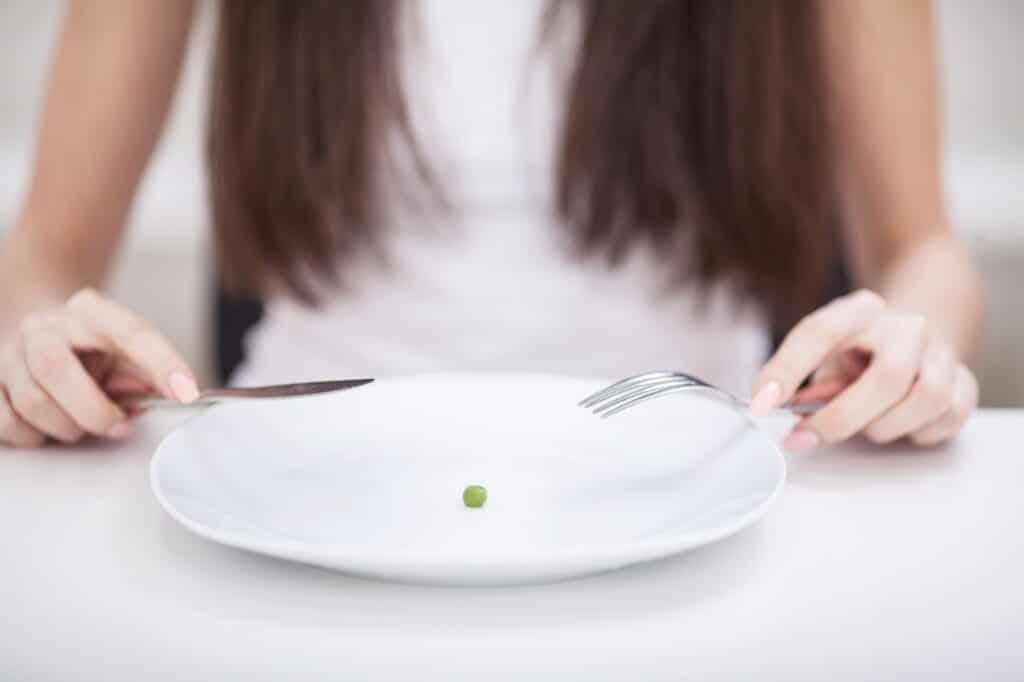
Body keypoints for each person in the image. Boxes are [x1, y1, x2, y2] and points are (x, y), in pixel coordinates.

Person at [0, 0, 984, 452]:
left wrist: (910, 345)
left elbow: (922, 253)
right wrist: (38, 349)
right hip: (298, 482)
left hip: (698, 479)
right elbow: (44, 259)